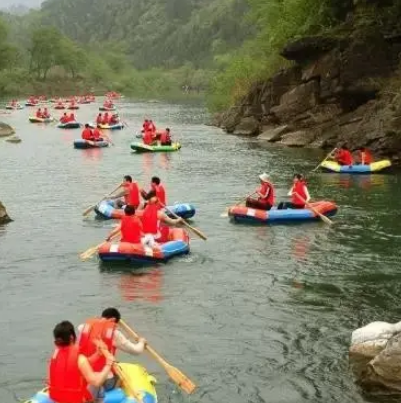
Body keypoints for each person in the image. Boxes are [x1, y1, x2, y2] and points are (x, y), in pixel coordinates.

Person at [77, 307, 146, 396]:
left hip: (83, 375)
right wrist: (142, 342)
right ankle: (113, 394)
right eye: (115, 324)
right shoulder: (115, 334)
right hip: (104, 380)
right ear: (113, 320)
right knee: (122, 377)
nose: (115, 327)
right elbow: (136, 351)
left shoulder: (83, 327)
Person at [48, 320, 114, 403]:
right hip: (77, 400)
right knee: (98, 386)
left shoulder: (54, 356)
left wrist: (97, 354)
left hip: (58, 399)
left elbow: (78, 366)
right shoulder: (80, 359)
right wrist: (109, 363)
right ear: (72, 337)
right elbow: (97, 382)